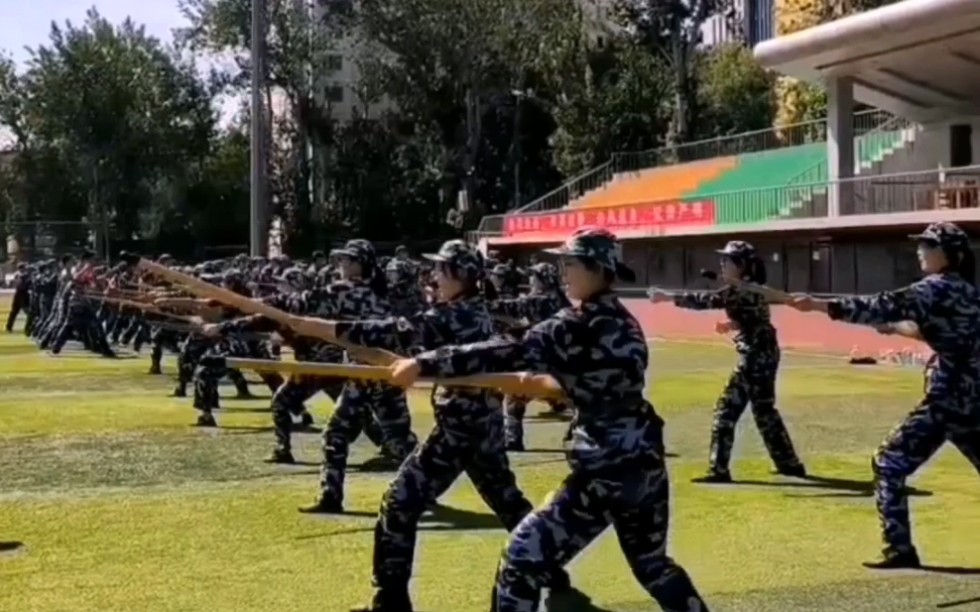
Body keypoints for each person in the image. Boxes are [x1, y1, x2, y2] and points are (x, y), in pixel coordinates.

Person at [388, 227, 708, 611]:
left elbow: (511, 348)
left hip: (606, 469)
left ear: (596, 268)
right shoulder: (623, 321)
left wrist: (425, 362)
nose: (563, 272)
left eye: (569, 263)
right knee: (653, 565)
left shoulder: (580, 322)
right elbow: (567, 377)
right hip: (644, 462)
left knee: (520, 561)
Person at [786, 221, 980, 569]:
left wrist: (820, 305)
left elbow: (883, 303)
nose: (920, 251)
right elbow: (939, 332)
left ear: (949, 253)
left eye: (928, 245)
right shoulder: (965, 291)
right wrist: (893, 328)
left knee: (888, 462)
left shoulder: (933, 289)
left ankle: (899, 549)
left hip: (948, 398)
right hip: (973, 396)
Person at [650, 240, 805, 483]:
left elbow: (704, 300)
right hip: (765, 352)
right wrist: (732, 324)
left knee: (726, 411)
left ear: (742, 265)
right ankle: (789, 463)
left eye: (728, 260)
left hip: (755, 356)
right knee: (765, 411)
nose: (723, 264)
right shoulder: (747, 289)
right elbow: (752, 318)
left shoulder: (743, 289)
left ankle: (718, 469)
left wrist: (666, 297)